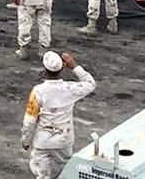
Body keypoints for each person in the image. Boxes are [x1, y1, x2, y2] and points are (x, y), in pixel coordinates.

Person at [21, 51, 96, 179]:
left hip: (43, 141)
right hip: (64, 139)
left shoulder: (38, 91)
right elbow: (90, 84)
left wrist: (26, 140)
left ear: (45, 70)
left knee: (42, 175)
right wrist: (74, 66)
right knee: (65, 173)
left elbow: (30, 120)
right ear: (62, 68)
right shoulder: (70, 88)